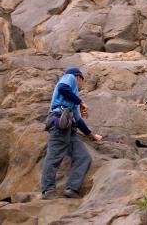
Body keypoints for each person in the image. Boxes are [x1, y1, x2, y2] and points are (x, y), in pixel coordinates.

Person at [41, 67, 102, 199]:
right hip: (59, 122)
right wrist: (81, 102)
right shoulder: (70, 77)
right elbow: (63, 88)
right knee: (54, 156)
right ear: (79, 77)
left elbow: (78, 121)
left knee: (83, 156)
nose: (81, 86)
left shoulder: (72, 100)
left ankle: (72, 189)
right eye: (82, 82)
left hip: (69, 129)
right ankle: (48, 190)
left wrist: (92, 136)